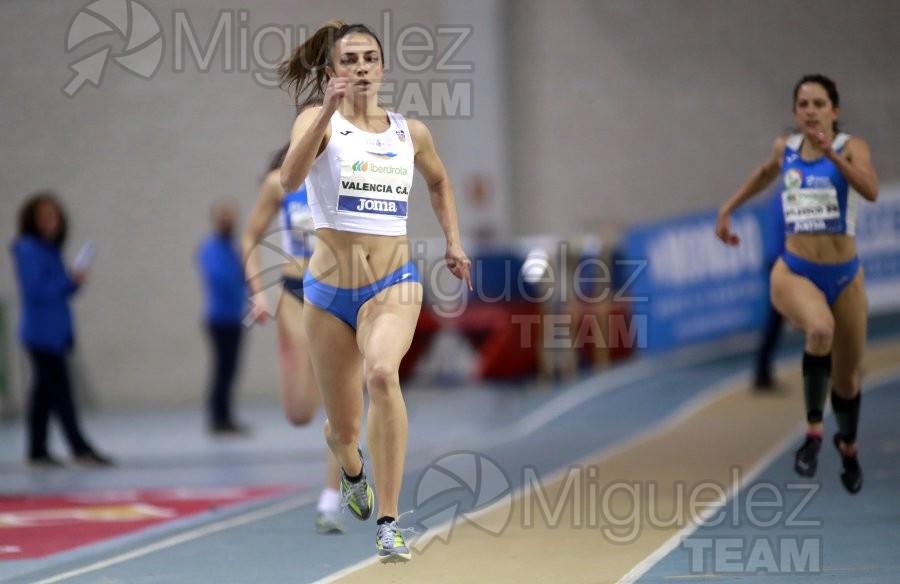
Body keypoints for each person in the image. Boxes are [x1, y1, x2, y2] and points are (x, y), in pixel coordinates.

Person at [277, 21, 472, 562]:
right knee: (343, 430)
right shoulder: (317, 124)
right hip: (328, 295)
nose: (361, 67)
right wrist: (322, 113)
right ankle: (351, 468)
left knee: (383, 374)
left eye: (370, 58)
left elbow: (438, 181)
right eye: (349, 60)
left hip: (393, 284)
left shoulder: (410, 132)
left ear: (383, 67)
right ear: (332, 71)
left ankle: (388, 521)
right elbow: (290, 182)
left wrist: (454, 242)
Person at [716, 74, 878, 494]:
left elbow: (871, 189)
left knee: (848, 381)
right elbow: (765, 172)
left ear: (834, 111)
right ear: (795, 112)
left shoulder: (851, 147)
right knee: (820, 330)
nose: (810, 111)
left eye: (819, 104)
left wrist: (833, 156)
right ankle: (812, 433)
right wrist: (727, 210)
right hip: (795, 271)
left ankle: (848, 447)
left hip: (845, 275)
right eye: (803, 104)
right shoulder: (784, 148)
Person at [242, 139, 345, 535]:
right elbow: (249, 237)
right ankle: (324, 386)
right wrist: (257, 292)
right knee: (300, 413)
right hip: (293, 293)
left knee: (341, 408)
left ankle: (330, 498)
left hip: (338, 293)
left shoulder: (345, 177)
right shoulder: (278, 184)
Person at [10, 192, 113, 468]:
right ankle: (79, 447)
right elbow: (37, 290)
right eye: (45, 216)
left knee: (42, 394)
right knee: (61, 392)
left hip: (57, 331)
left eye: (54, 216)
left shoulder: (50, 248)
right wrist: (66, 280)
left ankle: (36, 450)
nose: (51, 222)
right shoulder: (28, 248)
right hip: (41, 333)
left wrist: (74, 280)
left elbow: (61, 290)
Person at [198, 200, 250, 436]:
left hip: (235, 316)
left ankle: (226, 416)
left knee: (230, 370)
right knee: (222, 369)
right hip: (219, 318)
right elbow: (221, 277)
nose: (227, 220)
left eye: (230, 216)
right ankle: (218, 418)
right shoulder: (210, 248)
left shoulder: (233, 247)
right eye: (223, 216)